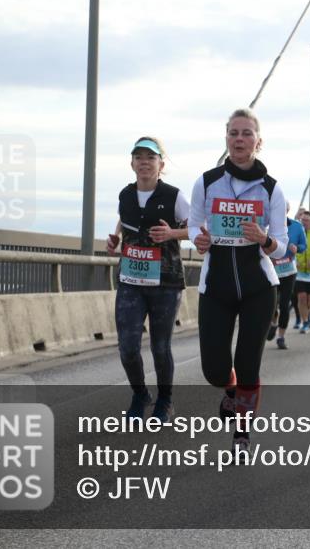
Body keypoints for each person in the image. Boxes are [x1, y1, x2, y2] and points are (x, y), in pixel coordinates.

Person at [190, 109, 289, 457]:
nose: (239, 139)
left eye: (247, 133)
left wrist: (264, 239)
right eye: (233, 133)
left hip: (258, 287)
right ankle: (230, 391)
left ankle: (242, 435)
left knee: (248, 364)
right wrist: (198, 238)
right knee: (215, 371)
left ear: (258, 142)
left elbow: (282, 246)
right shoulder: (206, 182)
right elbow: (194, 224)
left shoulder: (272, 189)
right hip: (215, 286)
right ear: (226, 139)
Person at [105, 137, 189, 422]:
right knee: (127, 347)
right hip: (131, 280)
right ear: (131, 163)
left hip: (166, 283)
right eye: (138, 157)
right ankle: (140, 394)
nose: (144, 162)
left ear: (161, 164)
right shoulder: (125, 194)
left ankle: (165, 400)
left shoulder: (175, 196)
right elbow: (125, 218)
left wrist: (172, 234)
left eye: (150, 157)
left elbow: (197, 227)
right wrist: (116, 237)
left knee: (160, 347)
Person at [268, 201, 307, 350]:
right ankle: (273, 322)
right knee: (271, 304)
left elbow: (304, 245)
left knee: (284, 305)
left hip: (289, 271)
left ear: (287, 210)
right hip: (272, 271)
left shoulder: (297, 226)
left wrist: (297, 248)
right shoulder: (268, 225)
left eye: (282, 209)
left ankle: (281, 337)